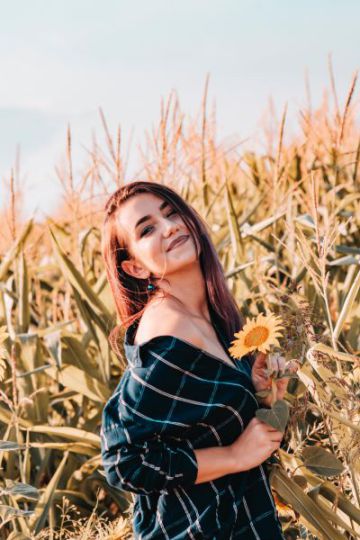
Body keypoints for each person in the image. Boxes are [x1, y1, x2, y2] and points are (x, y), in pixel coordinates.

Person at [100, 180, 295, 539]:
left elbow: (197, 424)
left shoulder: (209, 317)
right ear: (136, 268)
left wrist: (256, 392)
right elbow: (123, 459)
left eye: (171, 213)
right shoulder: (166, 338)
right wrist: (235, 456)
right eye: (147, 229)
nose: (169, 226)